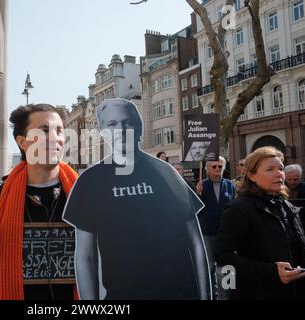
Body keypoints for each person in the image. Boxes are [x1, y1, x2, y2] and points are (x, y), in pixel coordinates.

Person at [63, 98, 210, 299]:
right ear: (102, 132)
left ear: (139, 128)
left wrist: (206, 296)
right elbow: (85, 257)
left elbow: (195, 243)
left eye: (128, 122)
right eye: (112, 124)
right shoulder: (89, 181)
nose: (121, 129)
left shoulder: (167, 172)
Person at [0, 104, 78, 300]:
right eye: (44, 130)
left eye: (59, 131)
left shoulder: (83, 192)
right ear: (23, 142)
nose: (55, 138)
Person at [215, 147, 305, 299]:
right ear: (251, 175)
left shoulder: (286, 206)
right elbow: (223, 255)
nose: (279, 174)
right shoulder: (239, 208)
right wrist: (270, 271)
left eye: (281, 168)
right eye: (270, 169)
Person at [196, 156, 236, 299]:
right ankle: (213, 295)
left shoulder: (230, 185)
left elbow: (234, 206)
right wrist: (197, 193)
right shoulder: (202, 185)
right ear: (206, 169)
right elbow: (193, 208)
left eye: (220, 166)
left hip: (226, 233)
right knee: (210, 267)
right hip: (208, 233)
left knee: (228, 266)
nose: (217, 169)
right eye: (214, 167)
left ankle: (228, 295)